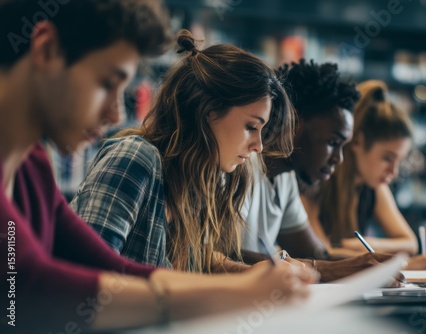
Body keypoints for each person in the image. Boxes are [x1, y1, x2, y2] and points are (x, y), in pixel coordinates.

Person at [0, 1, 315, 332]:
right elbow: (22, 292)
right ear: (47, 49)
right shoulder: (129, 157)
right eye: (107, 82)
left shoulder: (30, 167)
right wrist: (235, 296)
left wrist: (246, 288)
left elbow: (108, 267)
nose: (115, 116)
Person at [240, 60, 406, 283]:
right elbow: (226, 259)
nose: (339, 158)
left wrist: (366, 264)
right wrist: (332, 269)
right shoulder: (240, 165)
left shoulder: (284, 180)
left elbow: (317, 253)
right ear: (294, 122)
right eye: (332, 142)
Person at [303, 80, 426, 265]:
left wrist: (368, 245)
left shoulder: (375, 186)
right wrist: (399, 262)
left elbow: (410, 243)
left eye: (399, 161)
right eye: (387, 158)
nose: (393, 172)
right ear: (358, 142)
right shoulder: (316, 180)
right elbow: (320, 252)